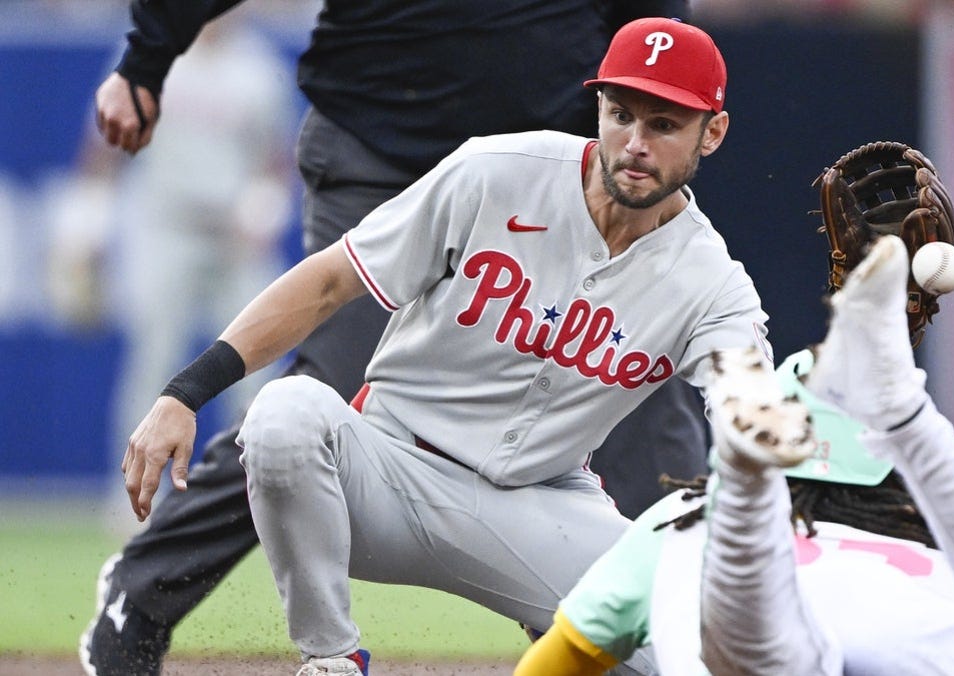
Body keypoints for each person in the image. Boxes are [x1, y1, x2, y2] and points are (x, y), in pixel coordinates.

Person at [119, 17, 769, 676]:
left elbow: (755, 415)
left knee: (706, 653)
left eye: (663, 124)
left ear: (710, 133)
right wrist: (185, 392)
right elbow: (328, 282)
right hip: (385, 478)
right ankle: (331, 658)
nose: (634, 142)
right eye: (620, 113)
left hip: (540, 510)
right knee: (283, 417)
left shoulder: (711, 282)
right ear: (596, 106)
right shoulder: (497, 172)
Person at [514, 235, 954, 675]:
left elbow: (560, 660)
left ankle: (746, 481)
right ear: (885, 470)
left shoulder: (674, 528)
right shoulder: (933, 543)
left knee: (758, 645)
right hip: (920, 644)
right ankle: (906, 415)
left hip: (738, 600)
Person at [46, 18, 294, 526]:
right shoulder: (152, 52)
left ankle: (259, 504)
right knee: (154, 363)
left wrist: (263, 207)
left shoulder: (259, 68)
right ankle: (134, 497)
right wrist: (84, 226)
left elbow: (275, 159)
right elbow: (105, 145)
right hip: (164, 224)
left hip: (232, 235)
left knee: (258, 368)